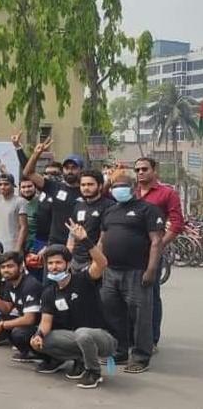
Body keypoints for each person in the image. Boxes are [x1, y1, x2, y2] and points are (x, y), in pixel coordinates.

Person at [30, 224, 114, 389]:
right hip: (76, 337)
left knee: (83, 333)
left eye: (58, 263)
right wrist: (38, 335)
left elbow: (102, 263)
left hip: (102, 338)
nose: (54, 267)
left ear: (68, 264)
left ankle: (94, 372)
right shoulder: (49, 292)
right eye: (50, 263)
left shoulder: (84, 279)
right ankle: (79, 360)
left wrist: (85, 240)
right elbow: (45, 322)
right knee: (43, 339)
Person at [99, 170, 164, 373]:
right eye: (115, 186)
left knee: (140, 316)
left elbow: (156, 241)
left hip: (137, 272)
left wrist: (151, 269)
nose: (118, 189)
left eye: (123, 186)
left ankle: (141, 357)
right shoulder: (109, 211)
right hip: (110, 272)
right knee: (113, 314)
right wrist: (98, 266)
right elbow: (102, 239)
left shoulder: (148, 209)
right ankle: (119, 351)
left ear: (133, 187)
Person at [133, 157, 183, 351]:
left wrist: (160, 244)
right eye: (137, 170)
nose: (140, 172)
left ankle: (152, 339)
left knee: (151, 296)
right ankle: (132, 337)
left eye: (144, 169)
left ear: (155, 170)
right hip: (130, 253)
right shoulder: (131, 193)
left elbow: (177, 224)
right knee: (129, 296)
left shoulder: (167, 193)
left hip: (152, 254)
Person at [0, 252, 43, 360]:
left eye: (10, 266)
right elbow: (6, 309)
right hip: (28, 321)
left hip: (41, 326)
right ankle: (23, 349)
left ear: (21, 267)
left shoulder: (30, 285)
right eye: (3, 267)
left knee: (18, 332)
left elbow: (30, 319)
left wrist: (2, 325)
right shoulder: (10, 282)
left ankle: (36, 354)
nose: (6, 270)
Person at [23, 138, 82, 246]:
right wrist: (36, 154)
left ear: (81, 170)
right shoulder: (54, 186)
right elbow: (28, 173)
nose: (70, 171)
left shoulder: (87, 190)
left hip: (79, 244)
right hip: (55, 243)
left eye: (74, 168)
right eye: (67, 168)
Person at [68, 169, 114, 271]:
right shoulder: (78, 205)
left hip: (95, 261)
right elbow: (72, 232)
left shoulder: (109, 206)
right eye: (83, 185)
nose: (86, 188)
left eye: (90, 184)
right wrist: (68, 256)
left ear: (100, 186)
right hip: (76, 259)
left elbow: (103, 237)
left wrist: (95, 262)